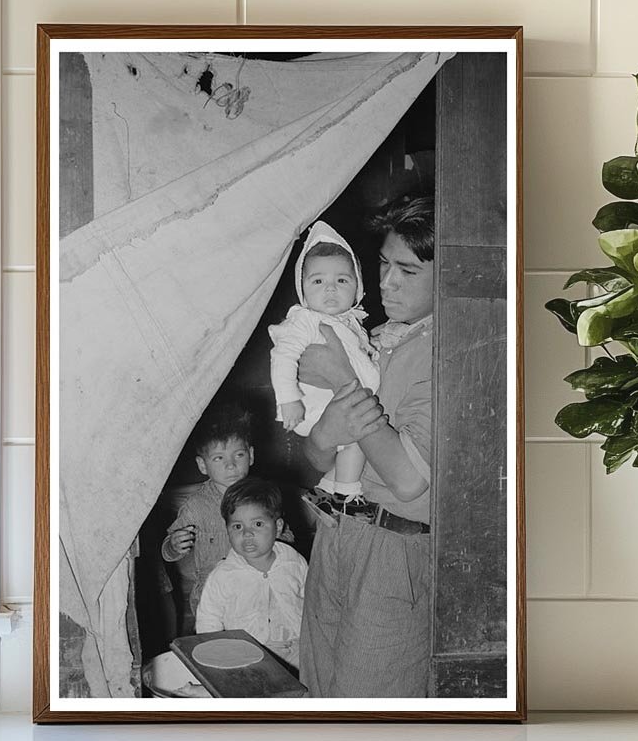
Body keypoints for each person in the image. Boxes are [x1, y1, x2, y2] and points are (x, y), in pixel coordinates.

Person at [297, 192, 435, 698]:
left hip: (395, 552)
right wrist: (326, 433)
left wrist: (341, 380)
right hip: (336, 532)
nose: (386, 282)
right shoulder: (374, 337)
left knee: (369, 709)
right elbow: (314, 455)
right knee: (317, 690)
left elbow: (408, 480)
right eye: (381, 265)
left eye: (408, 272)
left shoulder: (452, 350)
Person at [268, 221, 380, 504]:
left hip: (337, 400)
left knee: (350, 444)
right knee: (357, 438)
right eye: (318, 281)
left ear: (358, 287)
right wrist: (288, 398)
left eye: (342, 280)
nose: (330, 289)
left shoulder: (351, 323)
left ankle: (327, 487)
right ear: (302, 288)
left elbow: (357, 356)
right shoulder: (305, 320)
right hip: (314, 405)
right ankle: (347, 496)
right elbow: (282, 356)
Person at [161, 404, 293, 633]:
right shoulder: (196, 507)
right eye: (219, 458)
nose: (231, 465)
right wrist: (174, 545)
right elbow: (167, 551)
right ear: (203, 465)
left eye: (238, 455)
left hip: (257, 594)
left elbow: (287, 537)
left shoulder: (263, 497)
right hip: (214, 601)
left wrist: (278, 536)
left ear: (250, 455)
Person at [196, 477, 308, 668]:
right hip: (247, 653)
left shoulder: (293, 561)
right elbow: (209, 617)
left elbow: (311, 599)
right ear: (228, 530)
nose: (247, 533)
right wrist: (214, 654)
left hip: (296, 648)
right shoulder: (224, 575)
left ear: (278, 527)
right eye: (237, 526)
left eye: (257, 524)